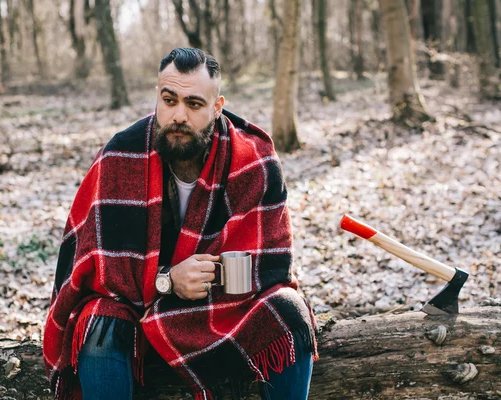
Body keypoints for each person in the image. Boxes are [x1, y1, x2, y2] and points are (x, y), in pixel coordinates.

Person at [43, 48, 318, 400]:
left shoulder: (255, 159)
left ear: (217, 107)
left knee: (289, 312)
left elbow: (272, 267)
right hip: (140, 311)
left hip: (225, 308)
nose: (178, 116)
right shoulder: (121, 155)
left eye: (194, 104)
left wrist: (205, 279)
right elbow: (100, 275)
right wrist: (169, 280)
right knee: (99, 322)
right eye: (169, 100)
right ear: (158, 95)